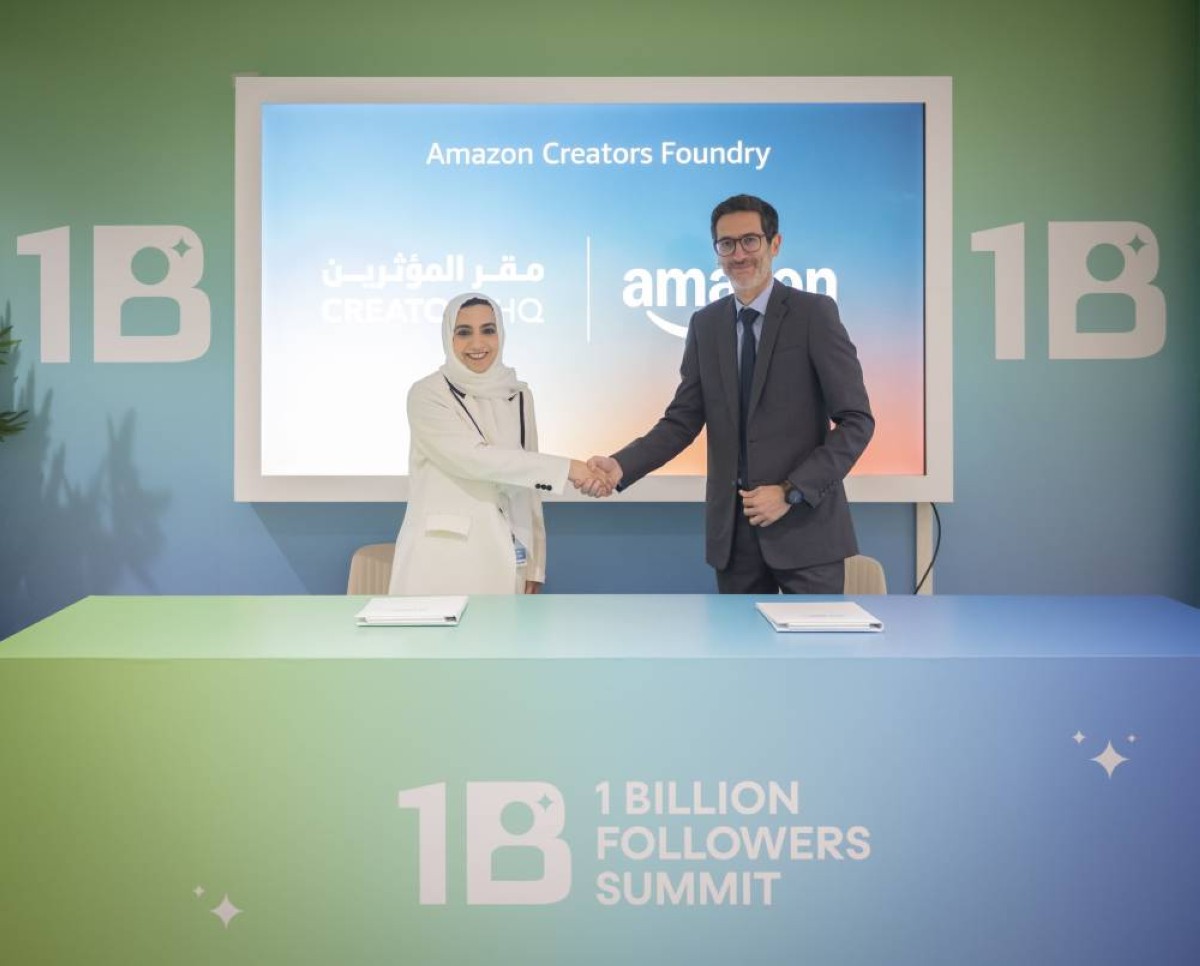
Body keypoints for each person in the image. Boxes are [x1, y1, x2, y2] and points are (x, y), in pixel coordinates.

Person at [585, 194, 874, 594]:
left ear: (774, 244)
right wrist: (621, 465)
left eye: (750, 240)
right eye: (727, 244)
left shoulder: (814, 314)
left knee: (811, 639)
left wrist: (790, 492)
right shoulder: (706, 325)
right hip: (734, 541)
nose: (739, 254)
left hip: (806, 532)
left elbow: (857, 422)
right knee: (738, 639)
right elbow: (682, 420)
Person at [389, 292, 608, 595]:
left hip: (507, 562)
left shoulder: (518, 394)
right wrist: (569, 468)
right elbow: (473, 459)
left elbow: (528, 486)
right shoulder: (427, 394)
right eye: (464, 332)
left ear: (500, 334)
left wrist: (535, 563)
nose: (477, 343)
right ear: (448, 337)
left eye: (488, 330)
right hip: (441, 562)